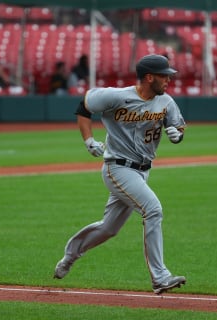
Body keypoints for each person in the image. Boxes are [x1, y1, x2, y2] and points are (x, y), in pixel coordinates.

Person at [54, 54, 187, 295]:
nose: (168, 79)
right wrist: (89, 140)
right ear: (149, 77)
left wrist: (178, 134)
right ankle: (160, 277)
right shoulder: (116, 96)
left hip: (143, 172)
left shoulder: (166, 101)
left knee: (109, 228)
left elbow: (178, 126)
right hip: (118, 168)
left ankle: (70, 256)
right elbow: (83, 107)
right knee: (152, 209)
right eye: (164, 76)